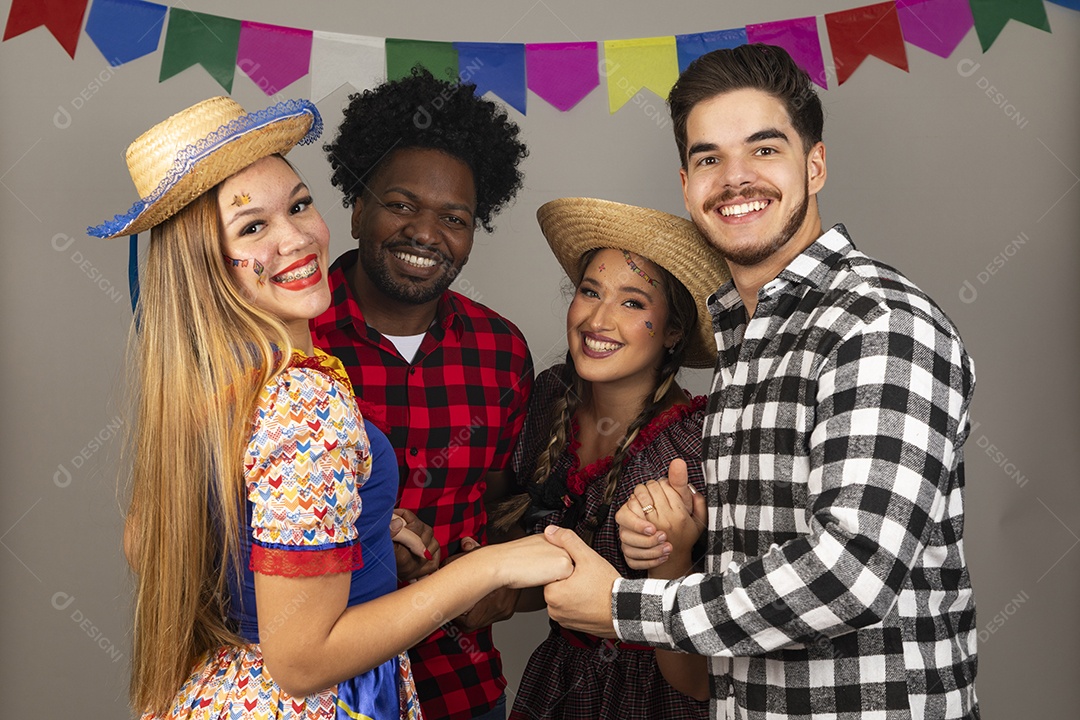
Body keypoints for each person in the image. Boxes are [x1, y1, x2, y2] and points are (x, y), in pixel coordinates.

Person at [89, 96, 571, 719]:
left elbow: (154, 540)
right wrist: (489, 569)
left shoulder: (225, 375)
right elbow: (302, 662)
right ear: (359, 207)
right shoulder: (305, 389)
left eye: (296, 205)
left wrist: (354, 533)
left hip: (380, 686)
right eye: (253, 227)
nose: (293, 237)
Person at [541, 43, 979, 719]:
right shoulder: (747, 345)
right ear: (686, 184)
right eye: (710, 158)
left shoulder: (878, 323)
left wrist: (624, 606)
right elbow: (767, 572)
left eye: (764, 150)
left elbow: (851, 575)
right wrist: (682, 543)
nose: (735, 178)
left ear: (816, 164)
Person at [313, 68, 532, 720]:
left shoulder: (502, 352)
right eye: (401, 204)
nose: (426, 232)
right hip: (318, 696)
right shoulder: (291, 343)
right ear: (356, 206)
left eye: (454, 217)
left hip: (459, 692)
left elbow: (504, 511)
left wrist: (499, 586)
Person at [491, 197, 729, 719]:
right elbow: (552, 583)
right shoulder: (549, 400)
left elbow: (696, 684)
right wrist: (493, 584)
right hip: (557, 690)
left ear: (672, 332)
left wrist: (672, 562)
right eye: (590, 292)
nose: (599, 320)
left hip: (654, 698)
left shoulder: (697, 446)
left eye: (632, 303)